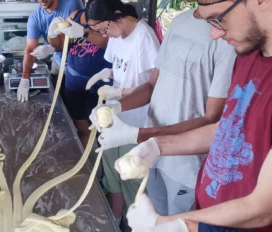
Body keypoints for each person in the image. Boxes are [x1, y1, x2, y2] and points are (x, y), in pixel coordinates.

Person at [114, 0, 272, 230]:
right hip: (209, 211)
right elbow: (228, 128)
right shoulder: (247, 55)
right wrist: (157, 146)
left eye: (219, 18)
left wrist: (170, 224)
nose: (214, 34)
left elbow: (261, 210)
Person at [87, 0, 236, 218]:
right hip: (152, 156)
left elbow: (211, 118)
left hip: (185, 163)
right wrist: (116, 107)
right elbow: (151, 85)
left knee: (177, 222)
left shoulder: (225, 37)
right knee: (154, 219)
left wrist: (138, 134)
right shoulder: (180, 22)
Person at [77, 0, 160, 225]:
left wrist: (120, 91)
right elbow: (119, 67)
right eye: (98, 32)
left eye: (103, 29)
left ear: (117, 15)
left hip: (135, 121)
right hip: (113, 115)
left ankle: (138, 225)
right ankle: (114, 220)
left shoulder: (144, 37)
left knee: (132, 179)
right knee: (112, 175)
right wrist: (108, 73)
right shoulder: (116, 35)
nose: (105, 36)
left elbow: (154, 86)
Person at [40, 8, 111, 147]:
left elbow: (109, 43)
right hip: (74, 85)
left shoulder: (108, 16)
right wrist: (52, 35)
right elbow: (59, 46)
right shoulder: (75, 16)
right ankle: (85, 163)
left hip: (99, 85)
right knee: (81, 128)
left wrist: (84, 33)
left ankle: (99, 163)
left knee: (102, 130)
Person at [17, 0, 83, 102]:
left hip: (77, 64)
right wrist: (25, 78)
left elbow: (76, 39)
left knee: (75, 105)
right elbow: (30, 49)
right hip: (57, 63)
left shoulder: (72, 4)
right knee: (57, 99)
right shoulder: (35, 17)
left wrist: (51, 48)